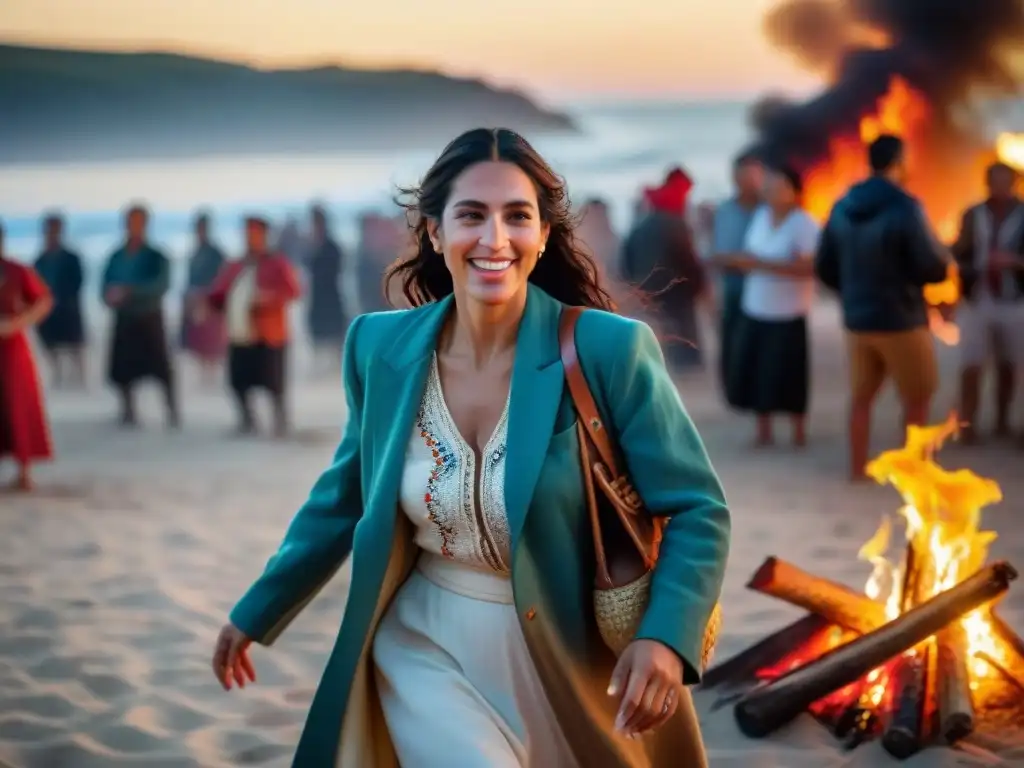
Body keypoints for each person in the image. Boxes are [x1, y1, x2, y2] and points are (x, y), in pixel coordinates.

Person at [211, 128, 730, 767]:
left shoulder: (607, 350)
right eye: (471, 216)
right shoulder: (380, 349)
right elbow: (346, 495)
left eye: (518, 216)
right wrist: (258, 609)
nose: (494, 239)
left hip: (571, 659)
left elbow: (699, 509)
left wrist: (664, 637)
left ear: (543, 236)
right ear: (434, 231)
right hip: (426, 643)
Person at [815, 134, 950, 480]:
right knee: (917, 398)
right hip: (902, 318)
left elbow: (825, 266)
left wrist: (851, 293)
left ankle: (857, 470)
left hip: (858, 320)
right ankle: (916, 474)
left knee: (861, 398)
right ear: (899, 162)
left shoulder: (843, 205)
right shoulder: (906, 207)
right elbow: (932, 267)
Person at [719, 166, 819, 446]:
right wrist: (739, 261)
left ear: (794, 192)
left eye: (778, 186)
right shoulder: (761, 217)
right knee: (758, 371)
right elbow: (752, 253)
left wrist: (761, 265)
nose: (771, 192)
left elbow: (810, 267)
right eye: (769, 186)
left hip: (788, 311)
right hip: (756, 307)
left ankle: (798, 431)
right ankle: (764, 431)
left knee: (790, 373)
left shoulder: (804, 224)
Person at [206, 216, 301, 437]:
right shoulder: (236, 264)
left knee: (274, 384)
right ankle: (247, 421)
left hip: (269, 333)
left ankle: (280, 423)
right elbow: (219, 292)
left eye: (255, 233)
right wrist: (207, 304)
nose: (251, 237)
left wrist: (267, 298)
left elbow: (293, 291)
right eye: (248, 233)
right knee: (238, 381)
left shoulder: (277, 263)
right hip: (240, 333)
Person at [951, 162, 1024, 443]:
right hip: (977, 298)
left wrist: (1014, 262)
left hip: (1014, 299)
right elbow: (960, 250)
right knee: (971, 364)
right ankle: (967, 425)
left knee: (1010, 364)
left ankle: (1004, 421)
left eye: (1006, 181)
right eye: (995, 181)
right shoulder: (973, 214)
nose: (1000, 187)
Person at [100, 204, 179, 428]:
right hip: (124, 319)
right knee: (123, 370)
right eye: (129, 222)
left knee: (161, 368)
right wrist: (110, 296)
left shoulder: (156, 256)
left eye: (137, 222)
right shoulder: (116, 256)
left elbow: (161, 284)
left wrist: (130, 291)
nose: (133, 227)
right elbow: (104, 284)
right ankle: (128, 411)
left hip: (149, 317)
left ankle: (172, 411)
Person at [621, 169, 707, 371]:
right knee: (681, 328)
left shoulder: (646, 216)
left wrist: (632, 282)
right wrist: (698, 284)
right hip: (676, 285)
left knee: (659, 327)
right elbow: (687, 257)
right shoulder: (674, 219)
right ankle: (685, 366)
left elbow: (627, 250)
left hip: (648, 283)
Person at [0, 221, 55, 491]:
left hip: (11, 346)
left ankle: (23, 471)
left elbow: (43, 300)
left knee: (17, 402)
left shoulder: (16, 270)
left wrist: (17, 323)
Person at [708, 152, 764, 393]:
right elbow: (718, 255)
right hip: (734, 289)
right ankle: (736, 393)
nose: (749, 180)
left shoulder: (768, 209)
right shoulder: (725, 211)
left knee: (762, 350)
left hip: (765, 292)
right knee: (733, 346)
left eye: (755, 175)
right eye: (744, 174)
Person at [34, 213, 86, 389]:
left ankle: (79, 377)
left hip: (68, 307)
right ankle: (58, 375)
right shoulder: (40, 259)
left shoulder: (71, 257)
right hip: (47, 309)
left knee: (75, 344)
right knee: (50, 344)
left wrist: (62, 298)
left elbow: (78, 281)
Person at [180, 211, 227, 386]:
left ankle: (212, 377)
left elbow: (222, 278)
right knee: (200, 342)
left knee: (212, 343)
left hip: (211, 301)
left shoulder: (215, 253)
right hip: (196, 300)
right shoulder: (195, 253)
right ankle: (204, 377)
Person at [305, 205, 347, 370]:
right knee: (319, 337)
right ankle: (322, 367)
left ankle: (336, 367)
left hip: (330, 295)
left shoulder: (331, 246)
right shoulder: (313, 245)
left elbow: (336, 270)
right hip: (318, 296)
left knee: (334, 335)